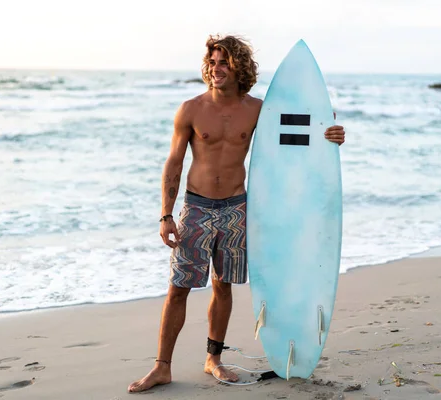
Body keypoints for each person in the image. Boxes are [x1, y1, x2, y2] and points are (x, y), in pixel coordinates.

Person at [128, 34, 346, 393]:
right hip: (197, 207)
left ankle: (213, 359)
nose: (216, 69)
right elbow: (174, 162)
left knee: (223, 285)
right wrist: (166, 215)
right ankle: (162, 366)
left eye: (224, 62)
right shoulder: (191, 109)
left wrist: (331, 135)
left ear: (239, 66)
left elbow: (299, 133)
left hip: (236, 208)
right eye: (212, 62)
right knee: (178, 288)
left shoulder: (259, 111)